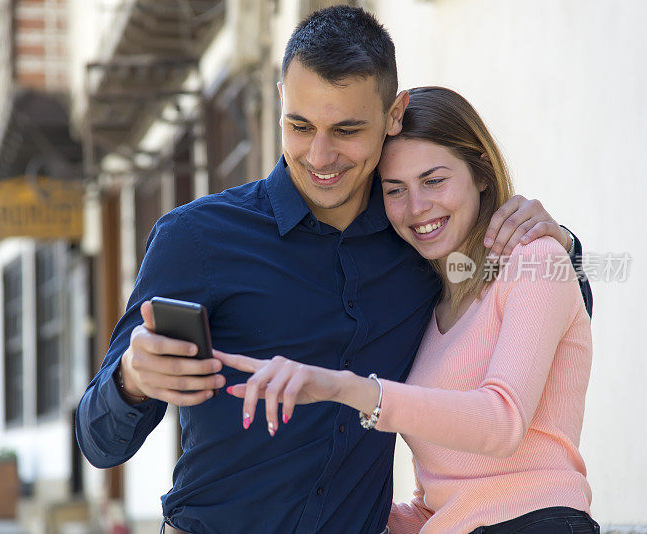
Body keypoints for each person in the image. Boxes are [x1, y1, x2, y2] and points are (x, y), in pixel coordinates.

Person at [75, 7, 591, 533]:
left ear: (394, 114)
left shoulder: (417, 240)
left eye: (346, 129)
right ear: (280, 99)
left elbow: (527, 315)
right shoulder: (197, 237)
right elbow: (100, 444)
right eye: (300, 126)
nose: (320, 155)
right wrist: (132, 380)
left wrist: (559, 243)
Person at [217, 87, 598, 534]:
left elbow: (501, 422)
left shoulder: (536, 259)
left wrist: (345, 388)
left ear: (480, 171)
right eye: (395, 190)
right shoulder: (427, 302)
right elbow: (438, 505)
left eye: (434, 181)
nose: (417, 208)